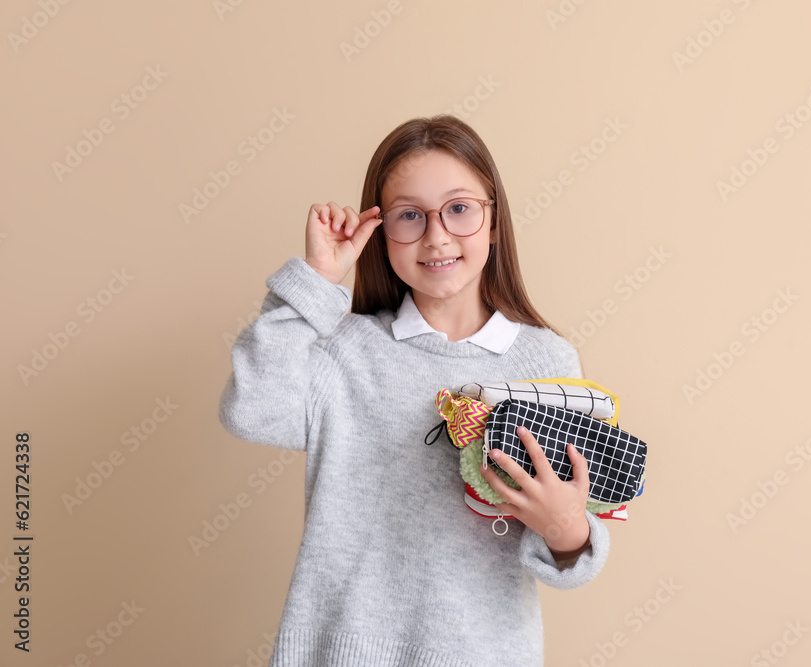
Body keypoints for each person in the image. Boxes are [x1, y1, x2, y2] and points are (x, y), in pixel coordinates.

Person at [218, 114, 611, 667]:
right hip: (339, 650)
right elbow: (251, 410)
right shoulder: (344, 351)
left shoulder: (546, 362)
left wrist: (569, 529)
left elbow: (570, 550)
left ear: (494, 221)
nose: (437, 236)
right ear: (380, 232)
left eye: (458, 208)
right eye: (409, 215)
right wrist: (316, 281)